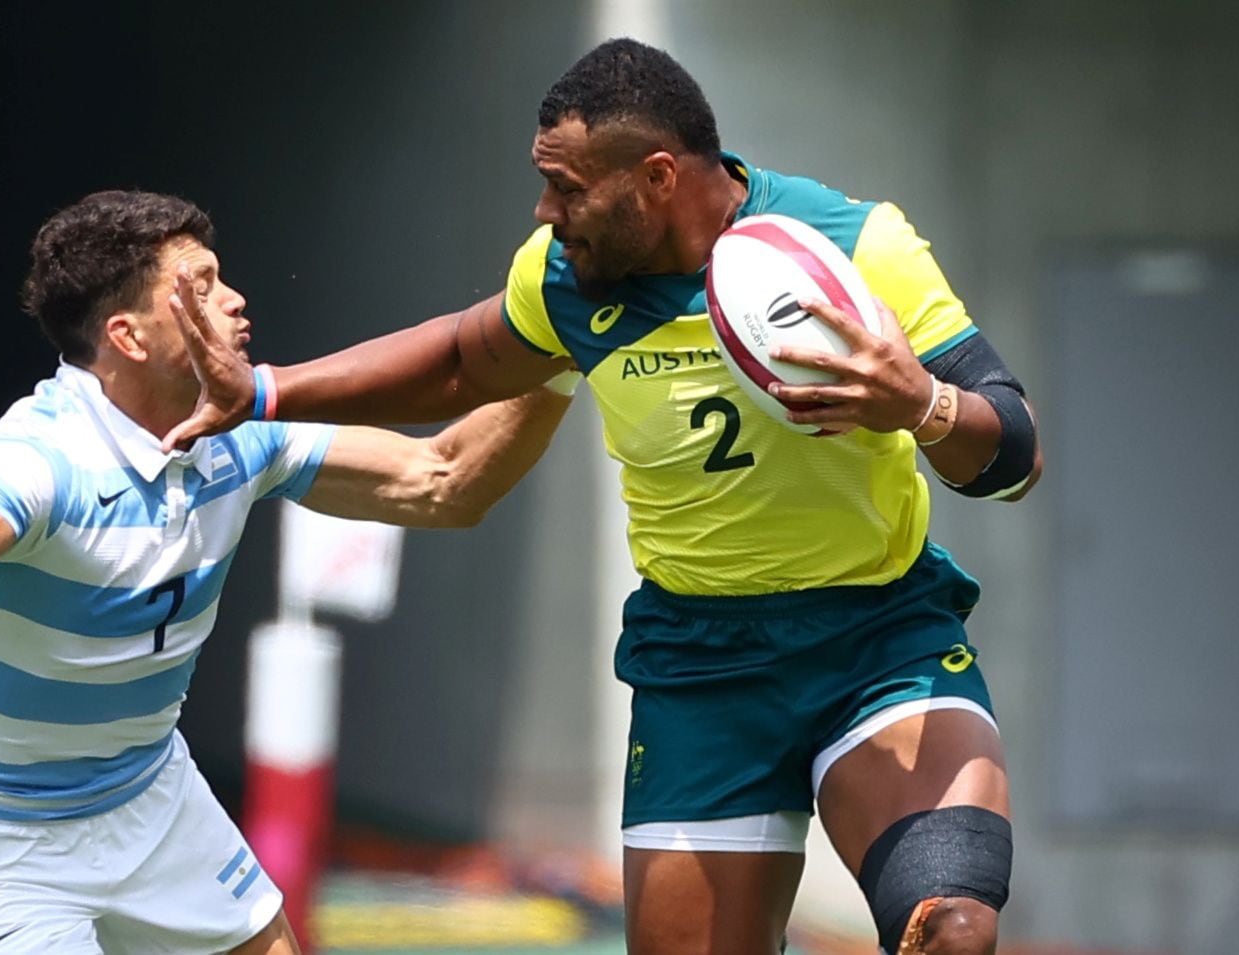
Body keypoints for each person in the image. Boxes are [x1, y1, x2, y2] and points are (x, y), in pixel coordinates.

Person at [157, 38, 1043, 955]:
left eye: (569, 188)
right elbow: (462, 359)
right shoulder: (563, 279)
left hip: (878, 640)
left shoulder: (858, 248)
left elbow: (1012, 453)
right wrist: (263, 391)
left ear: (656, 177)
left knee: (953, 932)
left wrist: (924, 406)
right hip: (700, 670)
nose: (547, 210)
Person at [0, 189, 574, 955]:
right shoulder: (45, 459)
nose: (235, 301)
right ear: (127, 337)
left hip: (152, 799)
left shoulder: (240, 432)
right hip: (6, 843)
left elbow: (442, 480)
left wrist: (563, 351)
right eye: (201, 288)